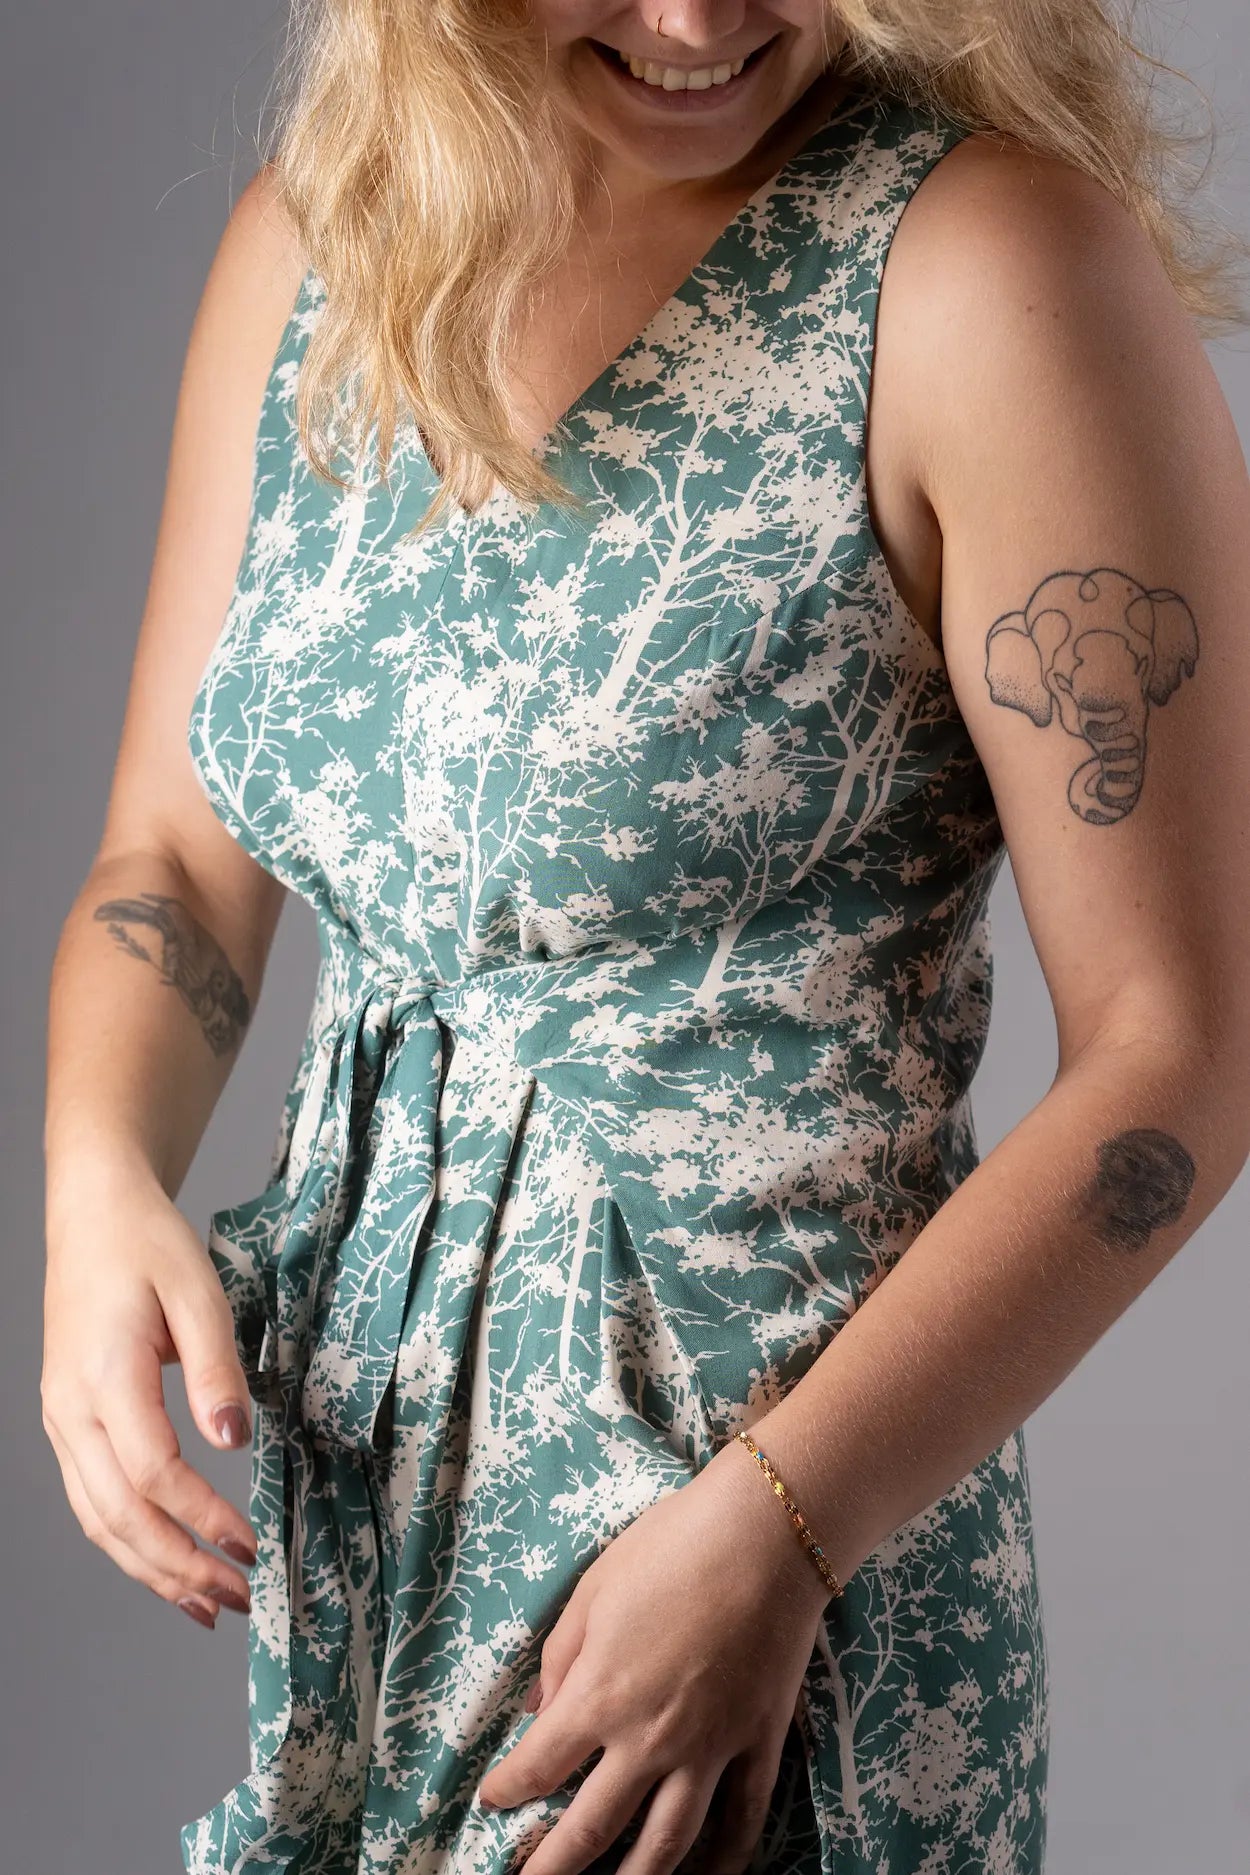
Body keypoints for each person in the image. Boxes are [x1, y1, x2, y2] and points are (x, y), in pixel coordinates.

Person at [41, 3, 1250, 1873]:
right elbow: (173, 863)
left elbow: (1183, 1052)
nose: (695, 22)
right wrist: (97, 1184)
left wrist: (777, 1532)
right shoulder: (319, 246)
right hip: (371, 1550)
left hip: (743, 1580)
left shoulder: (983, 270)